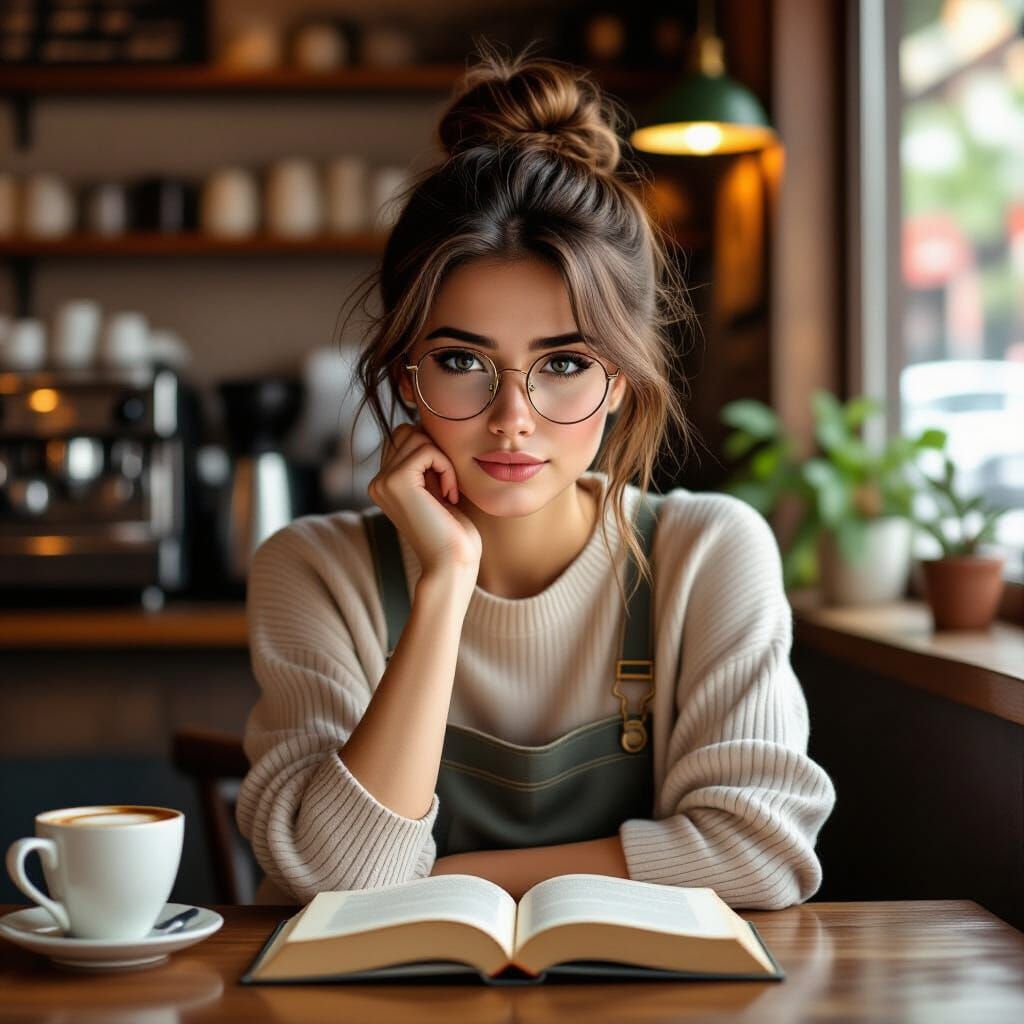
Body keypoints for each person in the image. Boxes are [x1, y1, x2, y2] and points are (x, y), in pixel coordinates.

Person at [236, 42, 836, 908]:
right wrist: (445, 581)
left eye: (562, 365)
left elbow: (762, 853)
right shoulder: (314, 572)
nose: (511, 417)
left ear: (619, 380)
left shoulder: (708, 553)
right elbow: (333, 877)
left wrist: (440, 881)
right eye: (461, 360)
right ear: (406, 373)